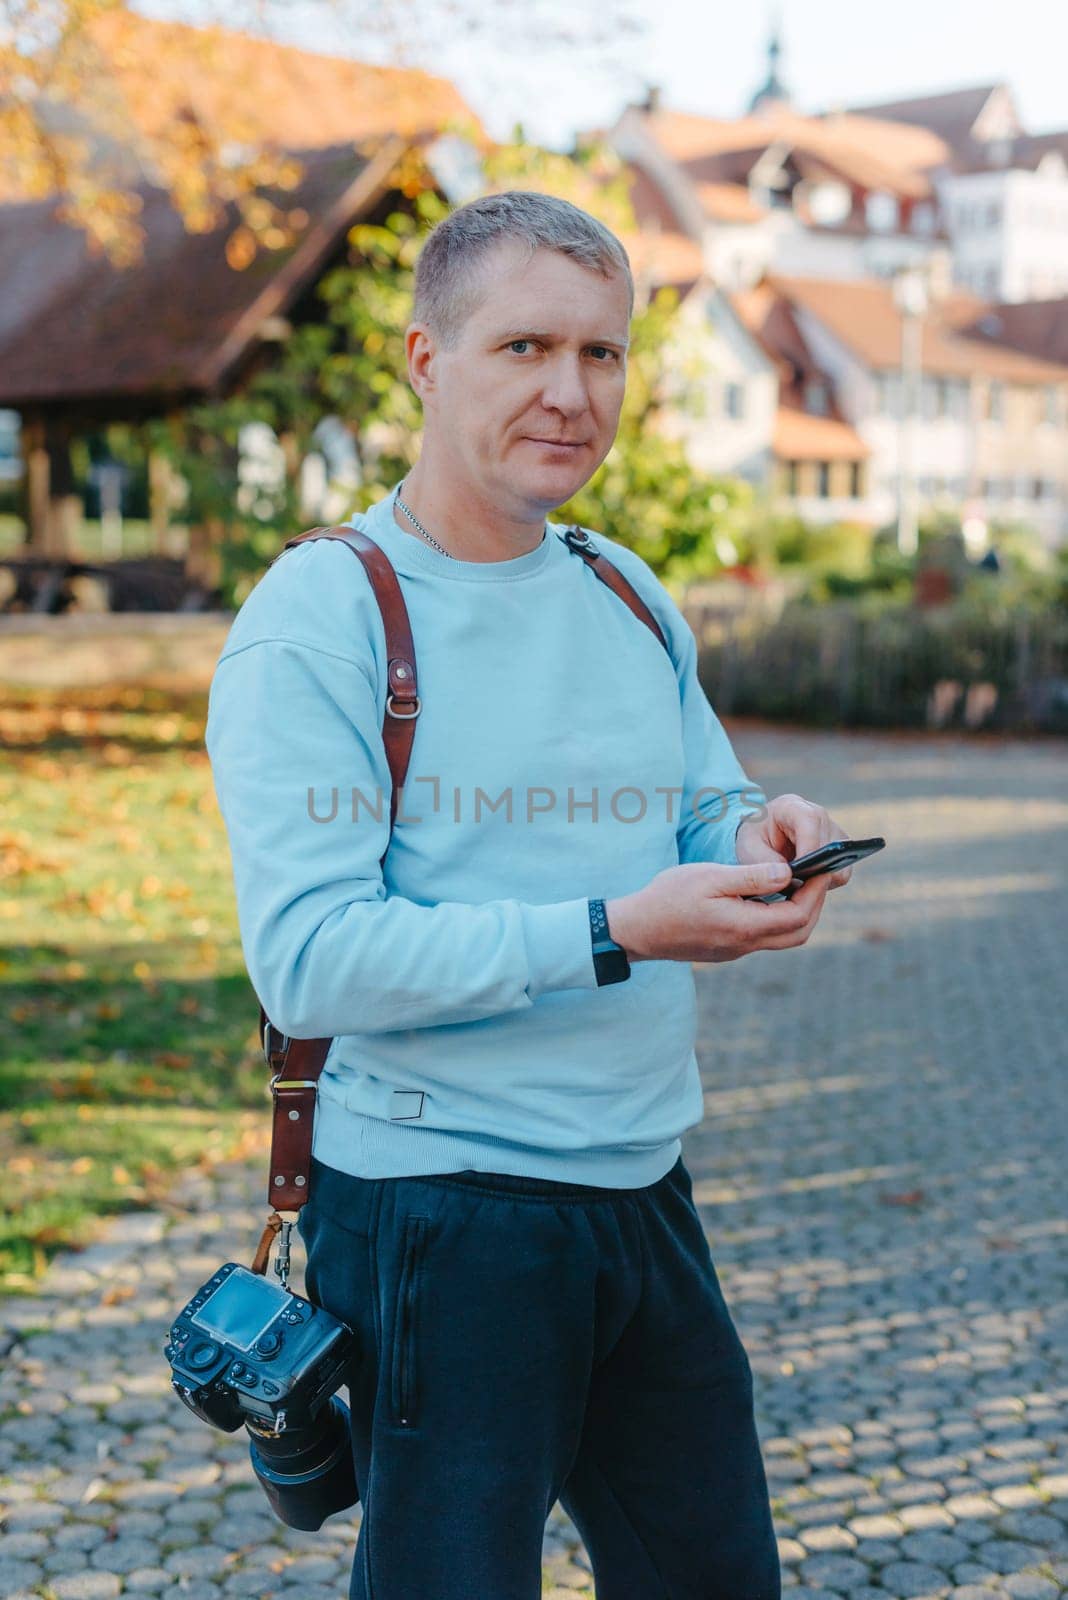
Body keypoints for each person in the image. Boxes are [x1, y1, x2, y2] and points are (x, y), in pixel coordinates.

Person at [206, 190, 850, 1600]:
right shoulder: (322, 614)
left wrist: (763, 832)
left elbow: (703, 797)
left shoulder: (623, 586)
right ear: (428, 361)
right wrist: (617, 932)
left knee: (716, 1579)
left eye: (603, 355)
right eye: (524, 349)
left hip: (642, 1189)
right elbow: (309, 964)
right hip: (443, 1212)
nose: (571, 393)